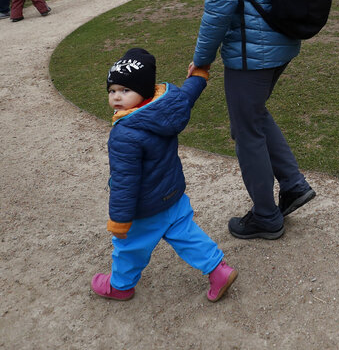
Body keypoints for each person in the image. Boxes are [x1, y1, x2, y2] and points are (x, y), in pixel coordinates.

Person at [185, 0, 316, 241]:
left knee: (246, 131)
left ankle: (265, 216)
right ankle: (292, 185)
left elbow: (219, 4)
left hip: (250, 50)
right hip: (282, 38)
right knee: (254, 117)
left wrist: (201, 60)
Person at [92, 47, 238, 303]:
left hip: (145, 208)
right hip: (172, 194)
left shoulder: (125, 134)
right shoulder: (167, 104)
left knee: (128, 248)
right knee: (186, 234)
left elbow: (125, 181)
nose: (117, 97)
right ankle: (218, 270)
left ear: (144, 91)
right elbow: (187, 95)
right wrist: (199, 75)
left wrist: (120, 220)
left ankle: (121, 286)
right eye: (112, 90)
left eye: (126, 90)